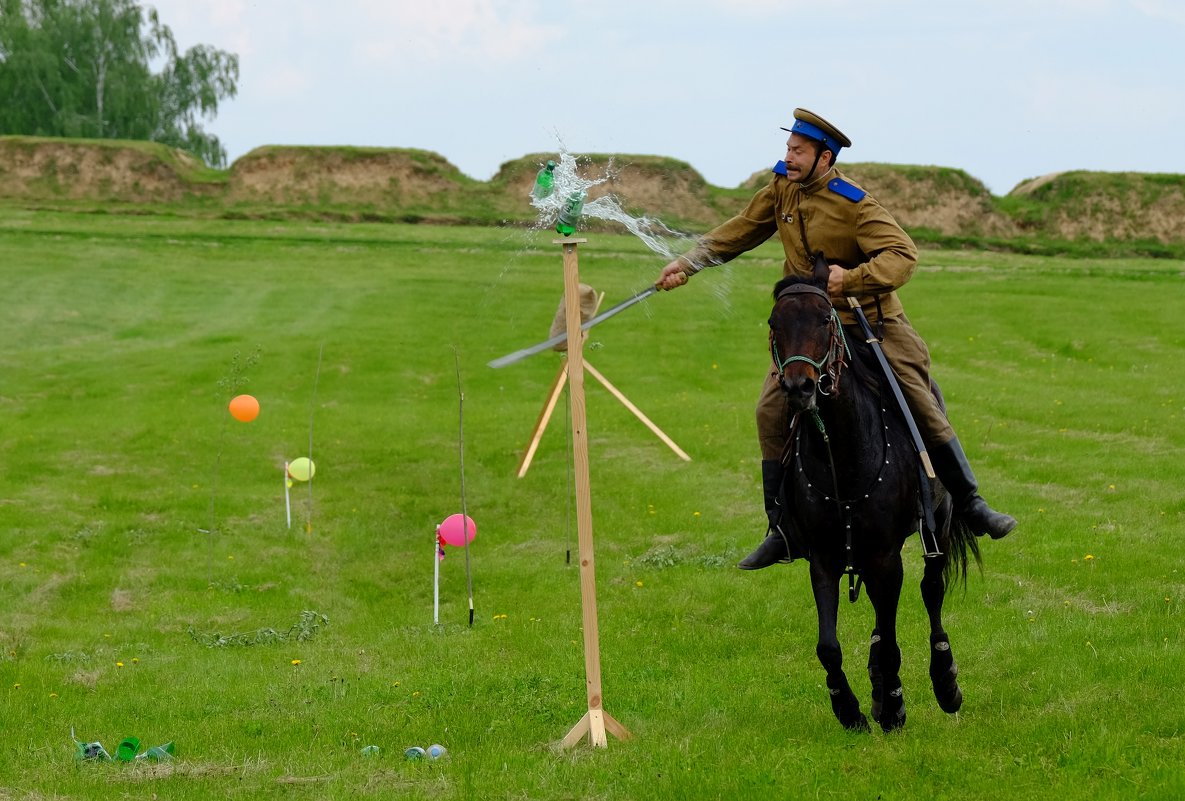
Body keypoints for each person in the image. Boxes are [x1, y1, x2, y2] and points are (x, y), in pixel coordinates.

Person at [655, 108, 1016, 570]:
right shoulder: (782, 187)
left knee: (916, 397)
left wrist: (855, 279)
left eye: (798, 151)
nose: (788, 157)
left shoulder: (855, 204)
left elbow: (904, 255)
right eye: (788, 149)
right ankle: (781, 529)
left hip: (870, 321)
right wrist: (687, 264)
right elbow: (741, 231)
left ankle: (970, 501)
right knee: (770, 408)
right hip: (810, 327)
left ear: (824, 157)